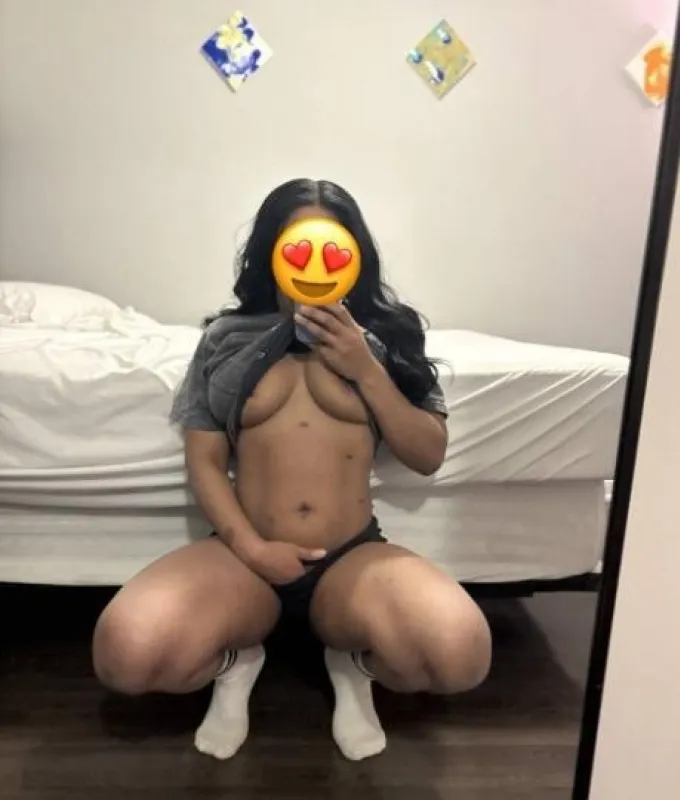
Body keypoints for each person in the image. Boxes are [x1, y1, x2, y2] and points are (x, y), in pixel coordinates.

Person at [92, 178, 492, 761]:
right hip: (244, 558)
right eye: (297, 246)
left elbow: (427, 454)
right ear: (271, 252)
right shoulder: (226, 339)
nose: (315, 263)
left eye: (332, 247)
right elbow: (205, 459)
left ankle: (353, 666)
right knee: (127, 656)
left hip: (350, 557)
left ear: (354, 254)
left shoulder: (387, 337)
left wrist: (365, 367)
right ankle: (237, 664)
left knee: (459, 656)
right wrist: (252, 549)